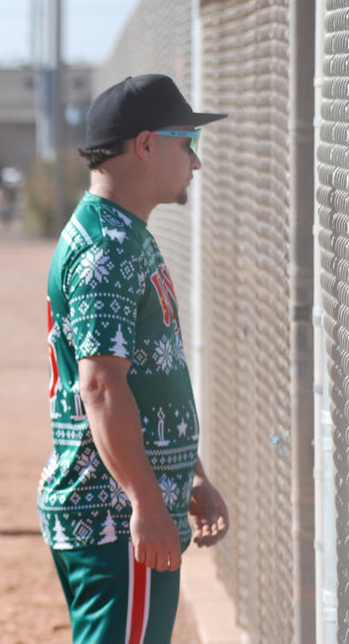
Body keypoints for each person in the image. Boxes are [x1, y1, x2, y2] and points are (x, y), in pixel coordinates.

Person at [39, 73, 231, 642]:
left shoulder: (123, 234)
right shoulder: (109, 247)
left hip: (118, 511)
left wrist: (190, 476)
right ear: (146, 145)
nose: (195, 160)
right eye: (186, 141)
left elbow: (147, 377)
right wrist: (145, 503)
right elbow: (101, 388)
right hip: (116, 519)